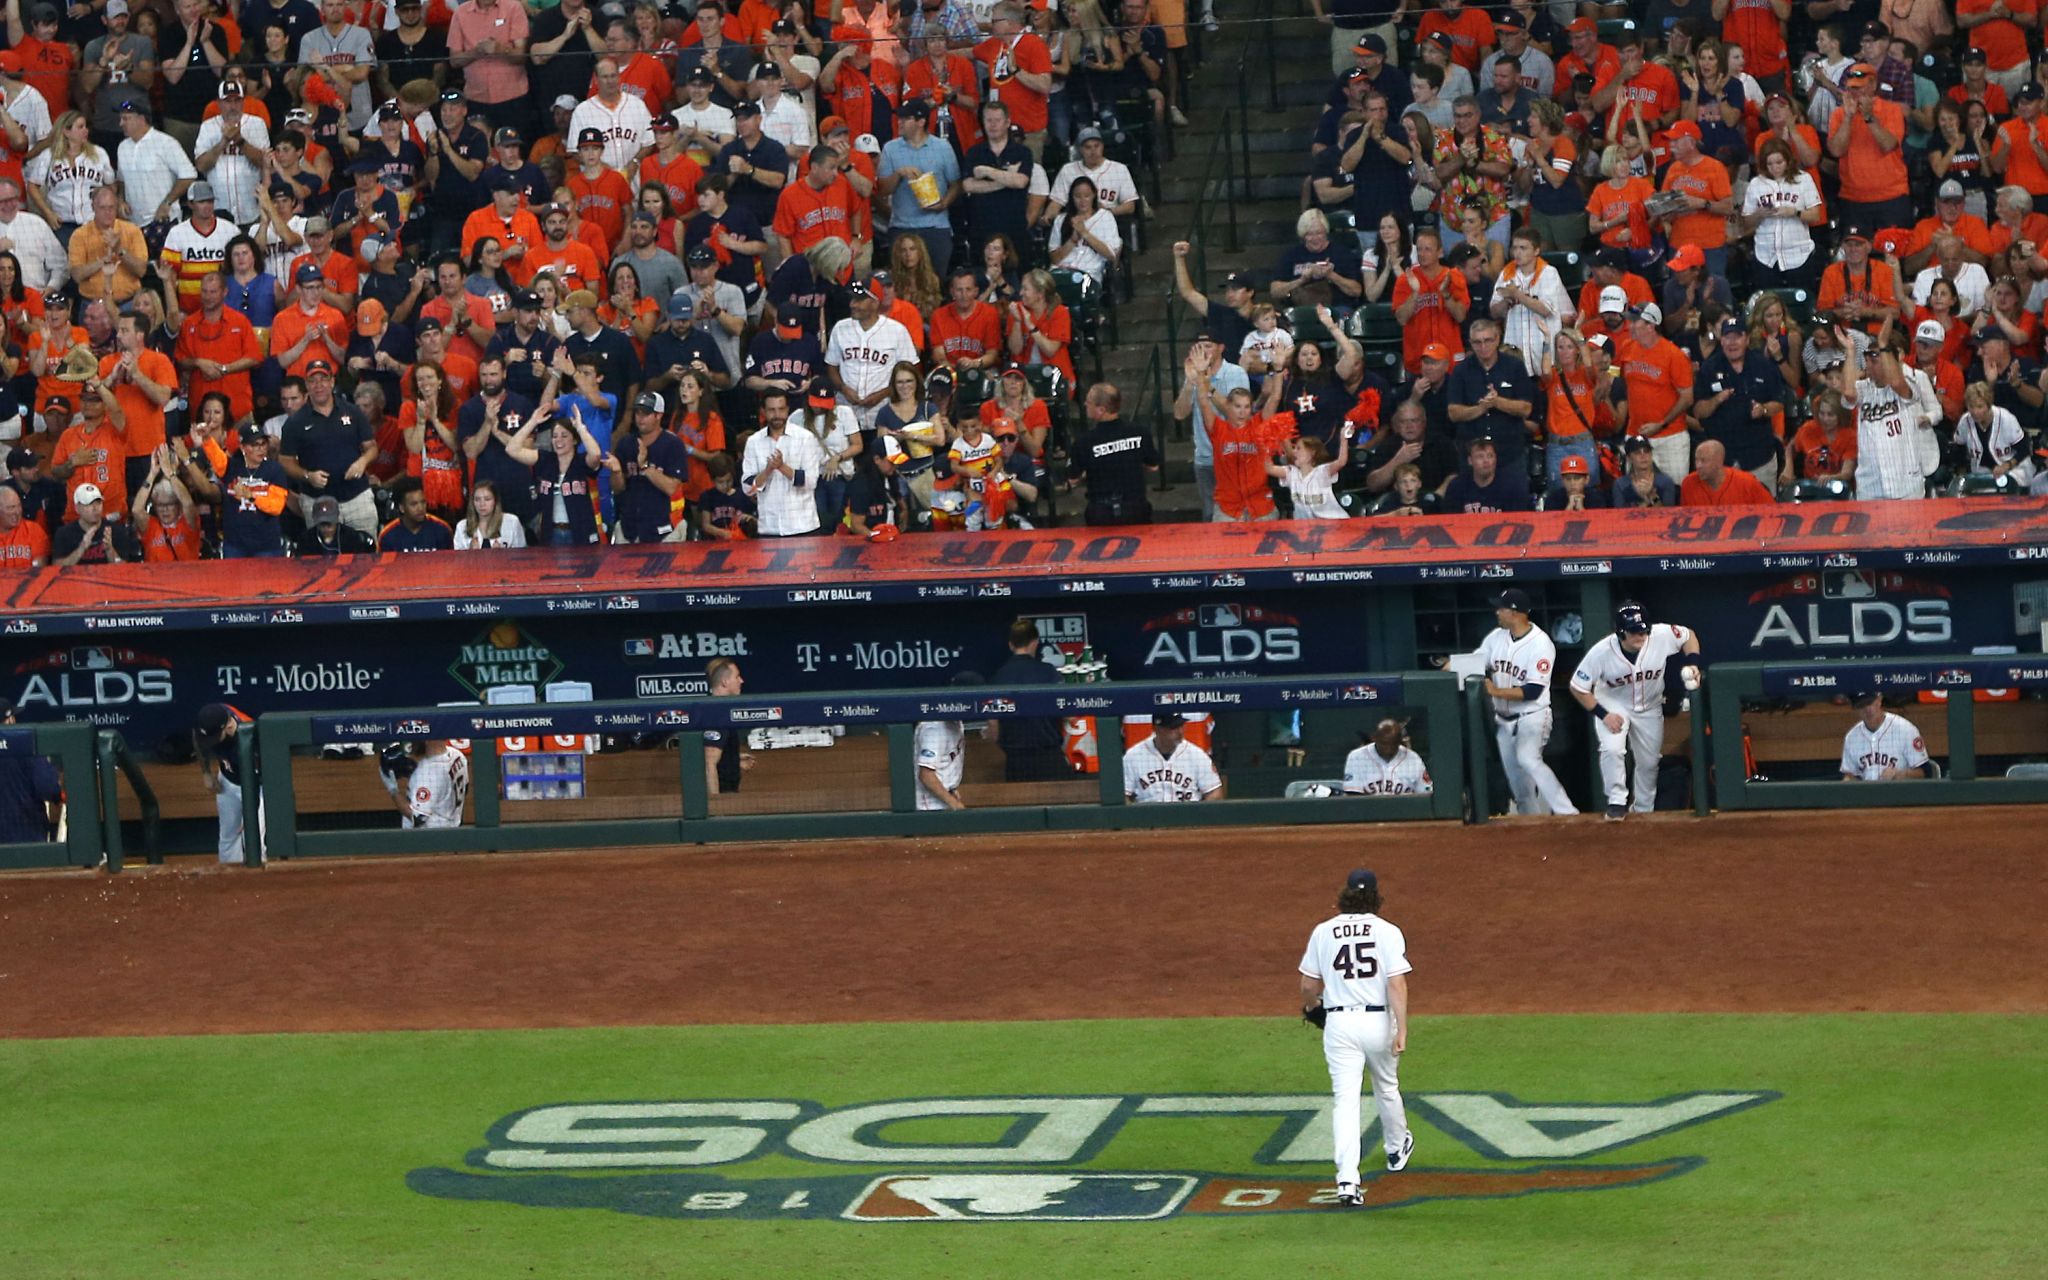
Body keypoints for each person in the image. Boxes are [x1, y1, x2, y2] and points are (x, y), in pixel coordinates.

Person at [1297, 866, 1413, 1209]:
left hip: (1340, 1024)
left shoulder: (1323, 931)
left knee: (1345, 1101)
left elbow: (1307, 985)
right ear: (1375, 896)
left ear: (1345, 893)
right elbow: (1396, 983)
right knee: (1387, 1086)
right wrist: (1402, 1027)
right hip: (1378, 1020)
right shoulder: (1388, 931)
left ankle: (1347, 1180)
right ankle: (1396, 1148)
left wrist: (1313, 1008)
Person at [1570, 602, 1702, 821]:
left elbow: (1689, 636)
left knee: (1649, 763)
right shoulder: (1601, 652)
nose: (1642, 634)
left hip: (1649, 706)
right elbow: (1578, 687)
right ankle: (1616, 801)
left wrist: (1693, 663)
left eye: (1644, 629)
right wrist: (1604, 714)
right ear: (1621, 632)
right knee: (1612, 749)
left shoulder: (1660, 635)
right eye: (1635, 631)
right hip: (1613, 704)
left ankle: (1643, 810)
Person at [1475, 587, 1577, 816]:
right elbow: (1474, 661)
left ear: (1514, 612)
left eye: (1500, 609)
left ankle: (1567, 811)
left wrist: (1496, 691)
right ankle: (1529, 828)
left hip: (1532, 715)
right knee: (1519, 786)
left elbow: (1533, 690)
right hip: (1503, 720)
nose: (1497, 613)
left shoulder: (1541, 644)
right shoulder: (1495, 638)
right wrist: (1450, 667)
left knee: (1528, 759)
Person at [1839, 324, 1940, 501]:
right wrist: (1850, 351)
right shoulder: (1863, 388)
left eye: (1875, 359)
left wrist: (1885, 344)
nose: (1868, 364)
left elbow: (1895, 381)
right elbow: (1848, 394)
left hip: (1906, 484)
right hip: (1870, 485)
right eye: (1867, 359)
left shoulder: (1910, 382)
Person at [1065, 382, 1157, 525]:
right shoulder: (1140, 433)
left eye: (1089, 402)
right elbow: (1153, 466)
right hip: (1135, 508)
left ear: (1101, 410)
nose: (1084, 404)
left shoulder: (1084, 442)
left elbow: (1073, 478)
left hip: (1101, 512)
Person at [740, 387, 824, 536]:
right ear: (763, 411)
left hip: (803, 526)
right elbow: (748, 488)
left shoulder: (805, 438)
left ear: (788, 410)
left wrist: (782, 467)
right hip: (769, 527)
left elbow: (811, 482)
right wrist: (767, 471)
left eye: (781, 409)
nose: (777, 415)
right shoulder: (753, 442)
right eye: (771, 410)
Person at [991, 617, 1065, 781]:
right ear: (1035, 642)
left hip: (1016, 761)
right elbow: (1069, 713)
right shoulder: (1048, 672)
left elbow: (993, 723)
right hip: (1050, 757)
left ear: (1011, 645)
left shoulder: (1000, 676)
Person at [612, 390, 686, 543]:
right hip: (630, 528)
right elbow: (618, 488)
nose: (640, 418)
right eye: (637, 413)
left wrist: (645, 466)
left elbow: (671, 487)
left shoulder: (673, 444)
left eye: (645, 413)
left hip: (664, 529)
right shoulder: (626, 443)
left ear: (659, 415)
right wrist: (616, 472)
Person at [193, 702, 256, 866]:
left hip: (255, 787)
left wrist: (252, 811)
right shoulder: (212, 716)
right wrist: (206, 772)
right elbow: (197, 739)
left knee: (255, 840)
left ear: (228, 726)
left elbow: (264, 774)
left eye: (213, 738)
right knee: (228, 837)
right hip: (228, 779)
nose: (210, 742)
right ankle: (230, 883)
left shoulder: (249, 737)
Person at [1121, 712, 1222, 802]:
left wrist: (1197, 817)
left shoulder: (1197, 755)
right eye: (1174, 728)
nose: (1180, 732)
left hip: (1187, 818)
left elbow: (1215, 792)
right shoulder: (1133, 756)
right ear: (1157, 729)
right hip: (1148, 819)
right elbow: (1122, 795)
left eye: (1181, 726)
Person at [0, 696, 62, 843]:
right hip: (26, 839)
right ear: (9, 720)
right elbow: (47, 786)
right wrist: (58, 795)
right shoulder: (25, 746)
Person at [1840, 691, 1930, 781]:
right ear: (1855, 709)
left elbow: (1925, 773)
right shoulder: (1852, 737)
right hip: (1867, 793)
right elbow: (1851, 775)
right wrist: (1848, 780)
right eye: (1861, 705)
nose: (1867, 709)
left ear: (1879, 699)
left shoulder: (1906, 729)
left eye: (1869, 702)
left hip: (1899, 792)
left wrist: (1901, 774)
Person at [51, 482, 143, 566]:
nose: (95, 508)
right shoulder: (64, 534)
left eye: (98, 503)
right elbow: (56, 568)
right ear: (77, 508)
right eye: (89, 504)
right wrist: (81, 548)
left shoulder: (116, 531)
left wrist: (109, 550)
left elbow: (124, 569)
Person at [703, 656, 755, 794]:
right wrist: (716, 805)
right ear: (725, 682)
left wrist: (733, 759)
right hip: (723, 799)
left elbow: (715, 753)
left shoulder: (719, 710)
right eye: (737, 677)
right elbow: (709, 762)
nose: (741, 681)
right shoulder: (716, 714)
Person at [1342, 720, 1432, 795]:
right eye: (1384, 744)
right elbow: (1352, 796)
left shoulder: (1413, 759)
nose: (1388, 749)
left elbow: (1426, 793)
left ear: (1400, 741)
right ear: (1375, 738)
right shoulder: (1357, 757)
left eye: (1393, 744)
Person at [1680, 438, 1776, 506]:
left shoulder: (1747, 482)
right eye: (1696, 460)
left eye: (1704, 461)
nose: (1698, 466)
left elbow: (1771, 511)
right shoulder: (1688, 484)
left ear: (1719, 461)